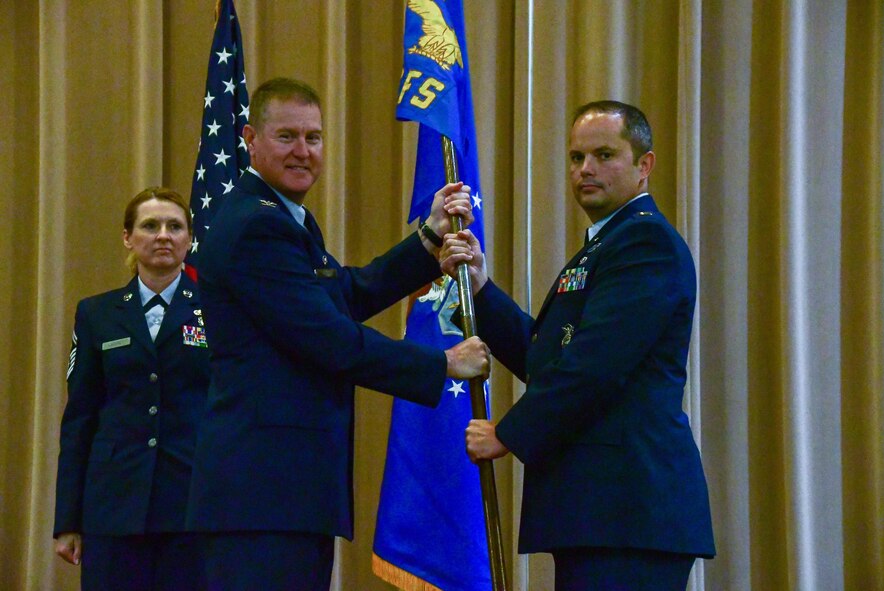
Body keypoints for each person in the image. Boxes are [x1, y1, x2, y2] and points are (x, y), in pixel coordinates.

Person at [186, 77, 490, 590]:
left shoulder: (287, 220)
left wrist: (429, 235)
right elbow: (329, 338)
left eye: (314, 137)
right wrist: (440, 365)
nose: (303, 151)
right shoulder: (256, 227)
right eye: (287, 137)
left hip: (280, 495)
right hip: (264, 497)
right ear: (249, 139)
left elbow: (346, 292)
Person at [441, 101, 715, 590]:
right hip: (602, 512)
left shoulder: (644, 244)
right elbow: (546, 356)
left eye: (604, 155)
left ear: (644, 165)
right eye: (575, 158)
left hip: (631, 510)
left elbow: (596, 366)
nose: (586, 169)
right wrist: (481, 289)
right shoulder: (605, 245)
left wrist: (508, 433)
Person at [53, 187, 209, 590]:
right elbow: (80, 418)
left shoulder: (217, 310)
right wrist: (68, 520)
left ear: (189, 239)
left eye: (175, 226)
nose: (163, 235)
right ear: (128, 237)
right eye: (150, 225)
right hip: (115, 506)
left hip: (192, 505)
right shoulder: (97, 314)